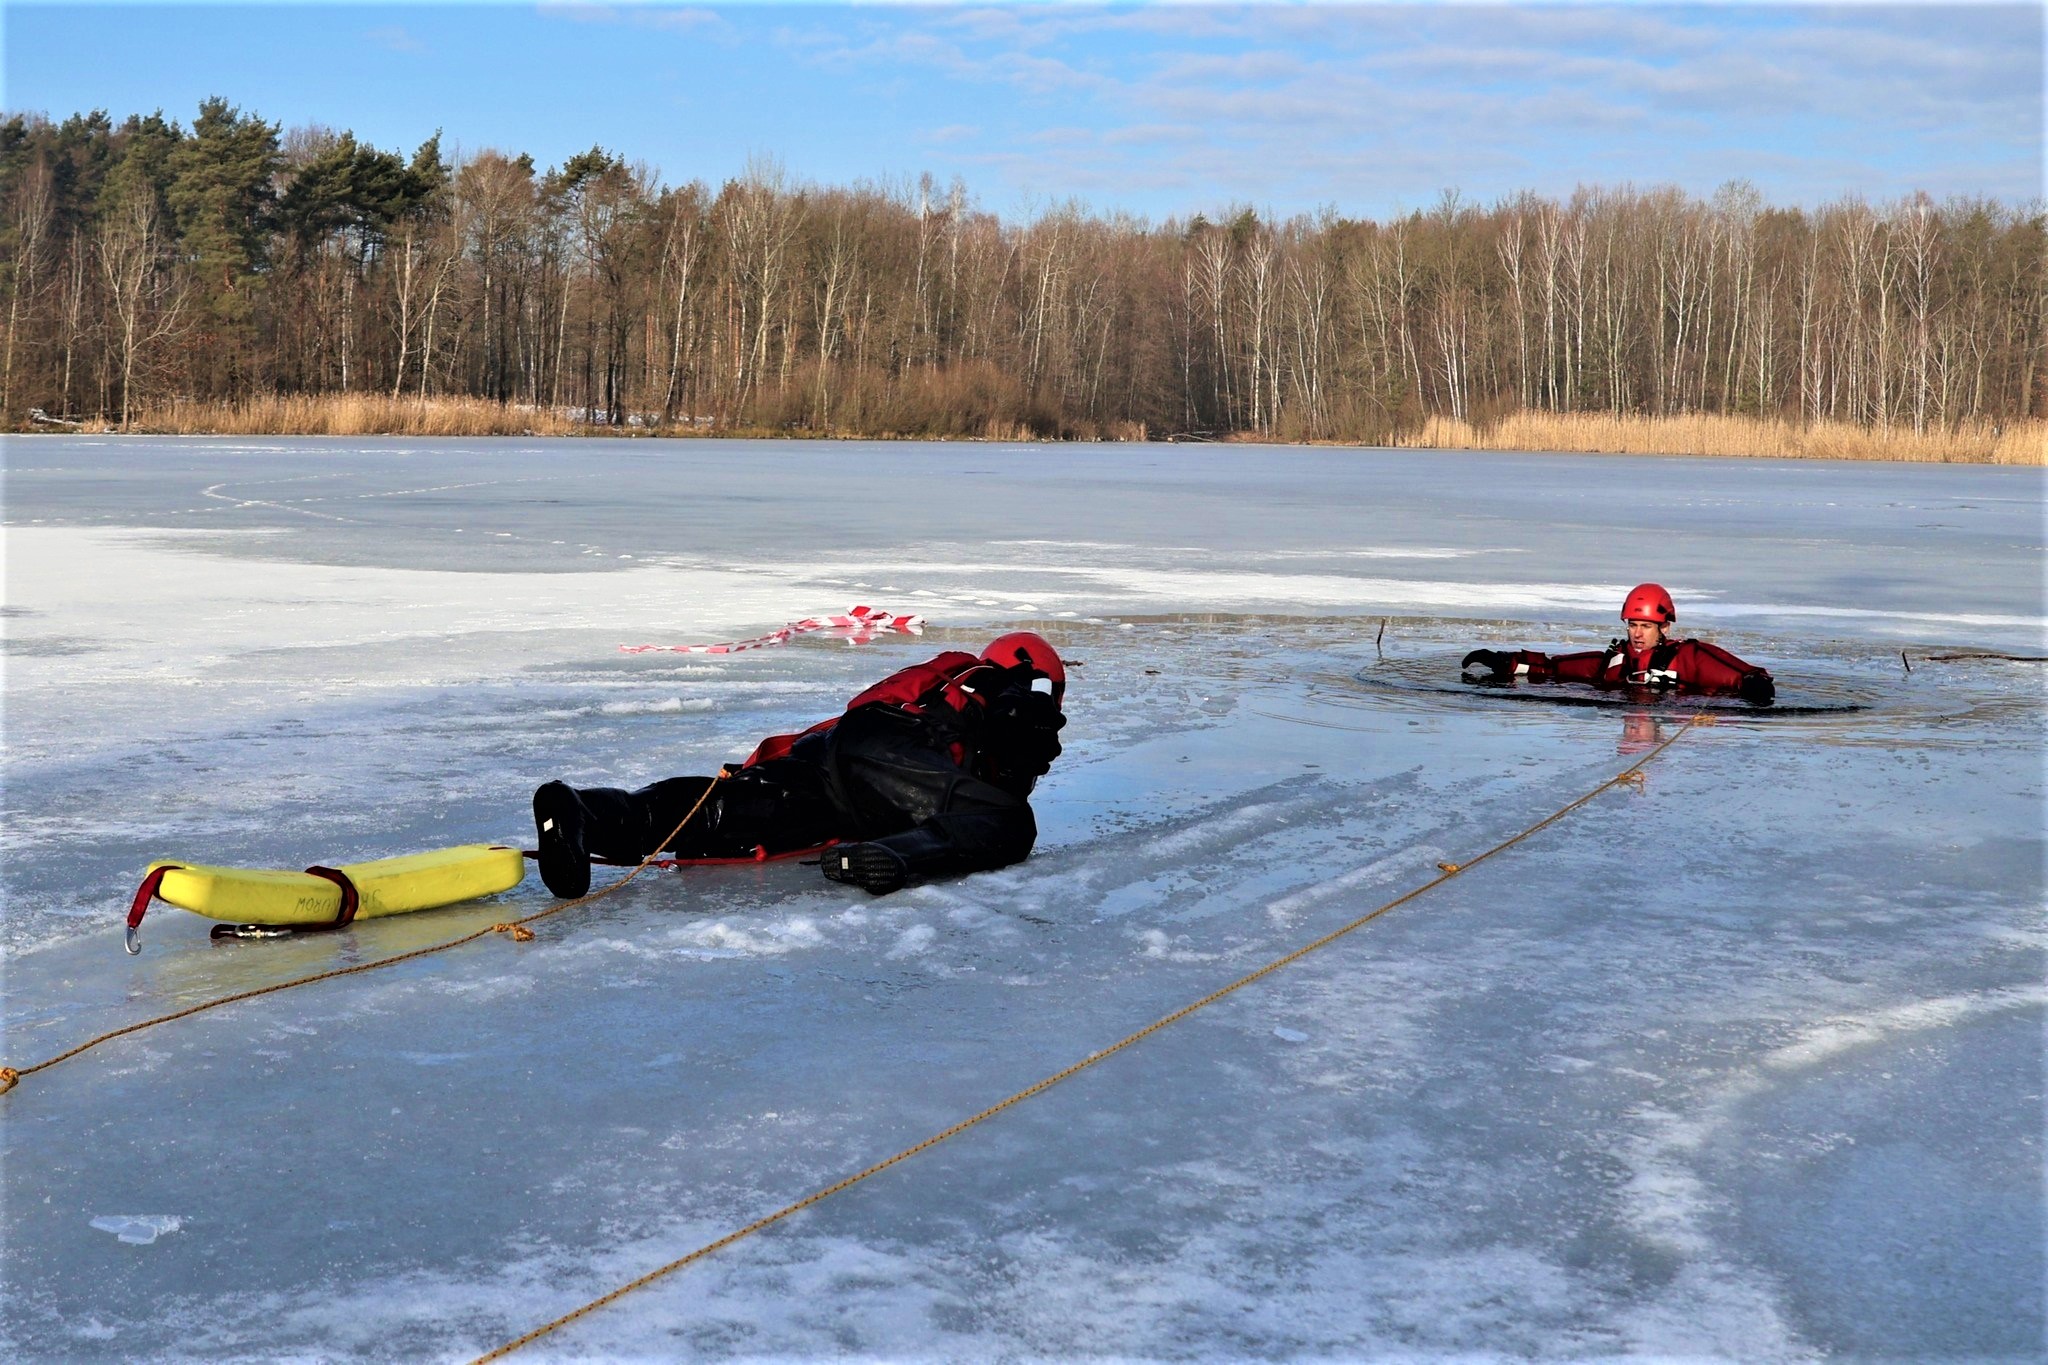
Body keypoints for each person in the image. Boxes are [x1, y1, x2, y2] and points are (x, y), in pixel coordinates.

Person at [531, 632, 1068, 899]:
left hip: (831, 760)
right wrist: (1025, 707)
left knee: (717, 815)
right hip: (900, 758)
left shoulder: (940, 681)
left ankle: (580, 813)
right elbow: (1010, 703)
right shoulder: (997, 681)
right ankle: (889, 858)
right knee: (1011, 823)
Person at [1460, 583, 1775, 703]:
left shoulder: (1691, 656)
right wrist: (1504, 660)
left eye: (1646, 627)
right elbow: (1554, 667)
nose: (1637, 634)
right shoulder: (1613, 661)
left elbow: (1743, 675)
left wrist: (1754, 684)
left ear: (1664, 626)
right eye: (1633, 625)